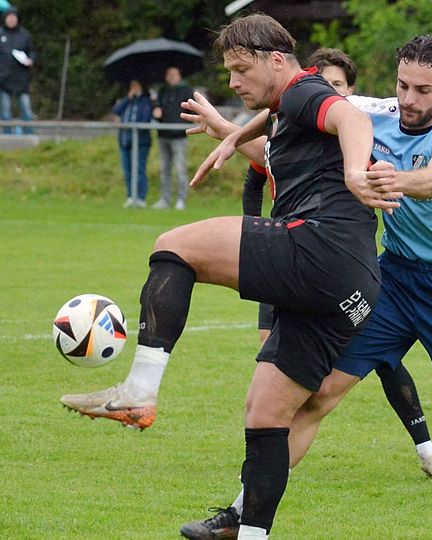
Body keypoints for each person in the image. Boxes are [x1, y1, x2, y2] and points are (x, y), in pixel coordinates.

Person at [179, 35, 432, 539]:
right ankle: (240, 517)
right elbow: (292, 100)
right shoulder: (375, 111)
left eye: (423, 90)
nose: (409, 99)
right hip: (392, 280)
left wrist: (385, 181)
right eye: (403, 85)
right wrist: (232, 131)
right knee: (316, 396)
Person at [60, 14, 389, 540]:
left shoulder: (304, 91)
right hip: (352, 287)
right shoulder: (287, 108)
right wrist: (232, 131)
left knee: (175, 246)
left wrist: (355, 173)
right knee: (266, 415)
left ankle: (139, 391)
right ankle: (251, 533)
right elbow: (284, 132)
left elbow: (350, 118)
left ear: (275, 60)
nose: (233, 82)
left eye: (241, 70)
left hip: (321, 249)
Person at [152, 66, 193, 210]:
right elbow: (157, 107)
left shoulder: (186, 91)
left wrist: (184, 125)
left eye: (174, 74)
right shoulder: (162, 91)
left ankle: (181, 200)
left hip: (179, 136)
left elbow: (192, 110)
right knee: (164, 169)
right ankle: (165, 199)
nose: (172, 77)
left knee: (180, 168)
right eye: (169, 74)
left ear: (179, 76)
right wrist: (156, 111)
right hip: (163, 135)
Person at [112, 79, 153, 208]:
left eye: (136, 86)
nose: (134, 88)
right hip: (125, 141)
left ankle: (140, 197)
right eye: (132, 86)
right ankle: (130, 196)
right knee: (127, 169)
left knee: (139, 169)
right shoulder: (127, 101)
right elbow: (116, 110)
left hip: (141, 142)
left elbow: (146, 118)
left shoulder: (146, 101)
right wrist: (128, 98)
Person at [0, 7, 36, 134]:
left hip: (21, 79)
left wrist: (31, 60)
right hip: (3, 79)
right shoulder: (1, 34)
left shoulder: (24, 35)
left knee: (26, 109)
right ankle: (7, 135)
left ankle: (29, 134)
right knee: (5, 110)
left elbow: (32, 51)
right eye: (9, 17)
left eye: (13, 17)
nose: (11, 20)